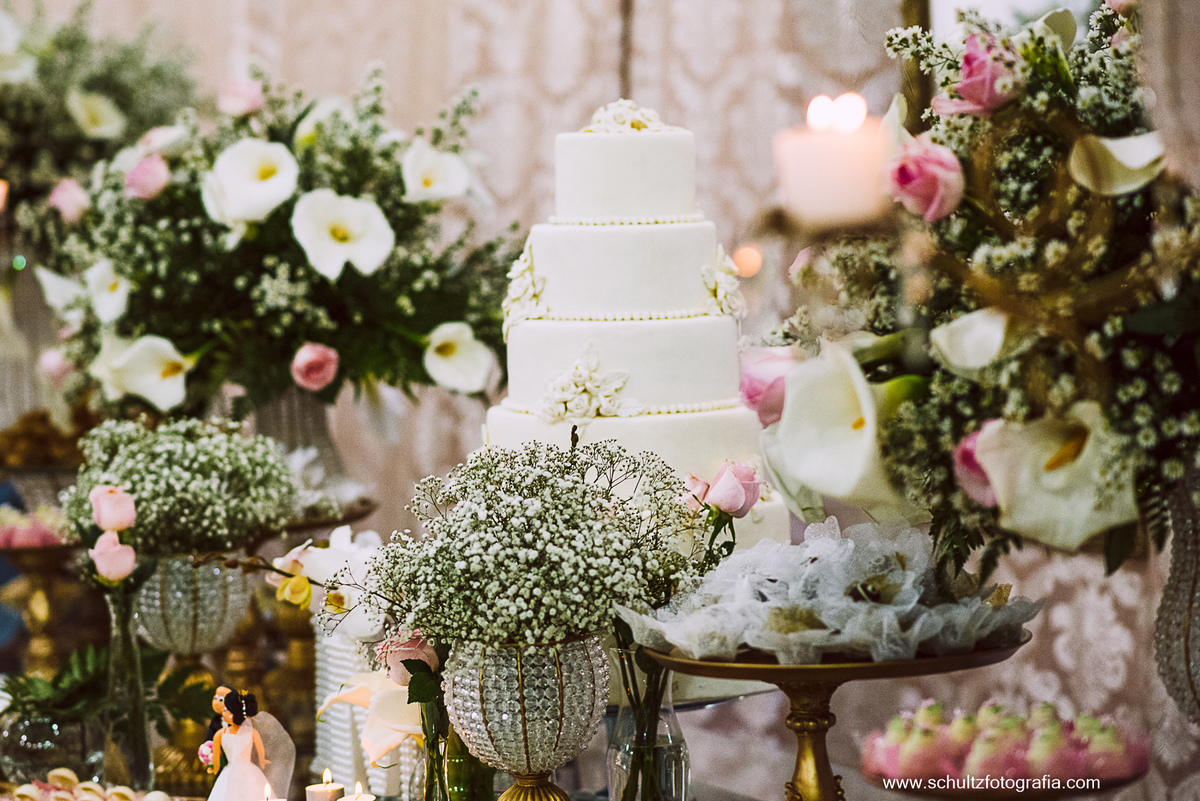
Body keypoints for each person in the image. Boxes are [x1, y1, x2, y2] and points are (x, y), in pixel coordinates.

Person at [207, 690, 271, 801]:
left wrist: (214, 769)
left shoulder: (220, 734)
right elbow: (261, 752)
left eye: (226, 710)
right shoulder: (251, 732)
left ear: (233, 714)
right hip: (248, 771)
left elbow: (216, 762)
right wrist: (262, 761)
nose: (223, 713)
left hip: (231, 772)